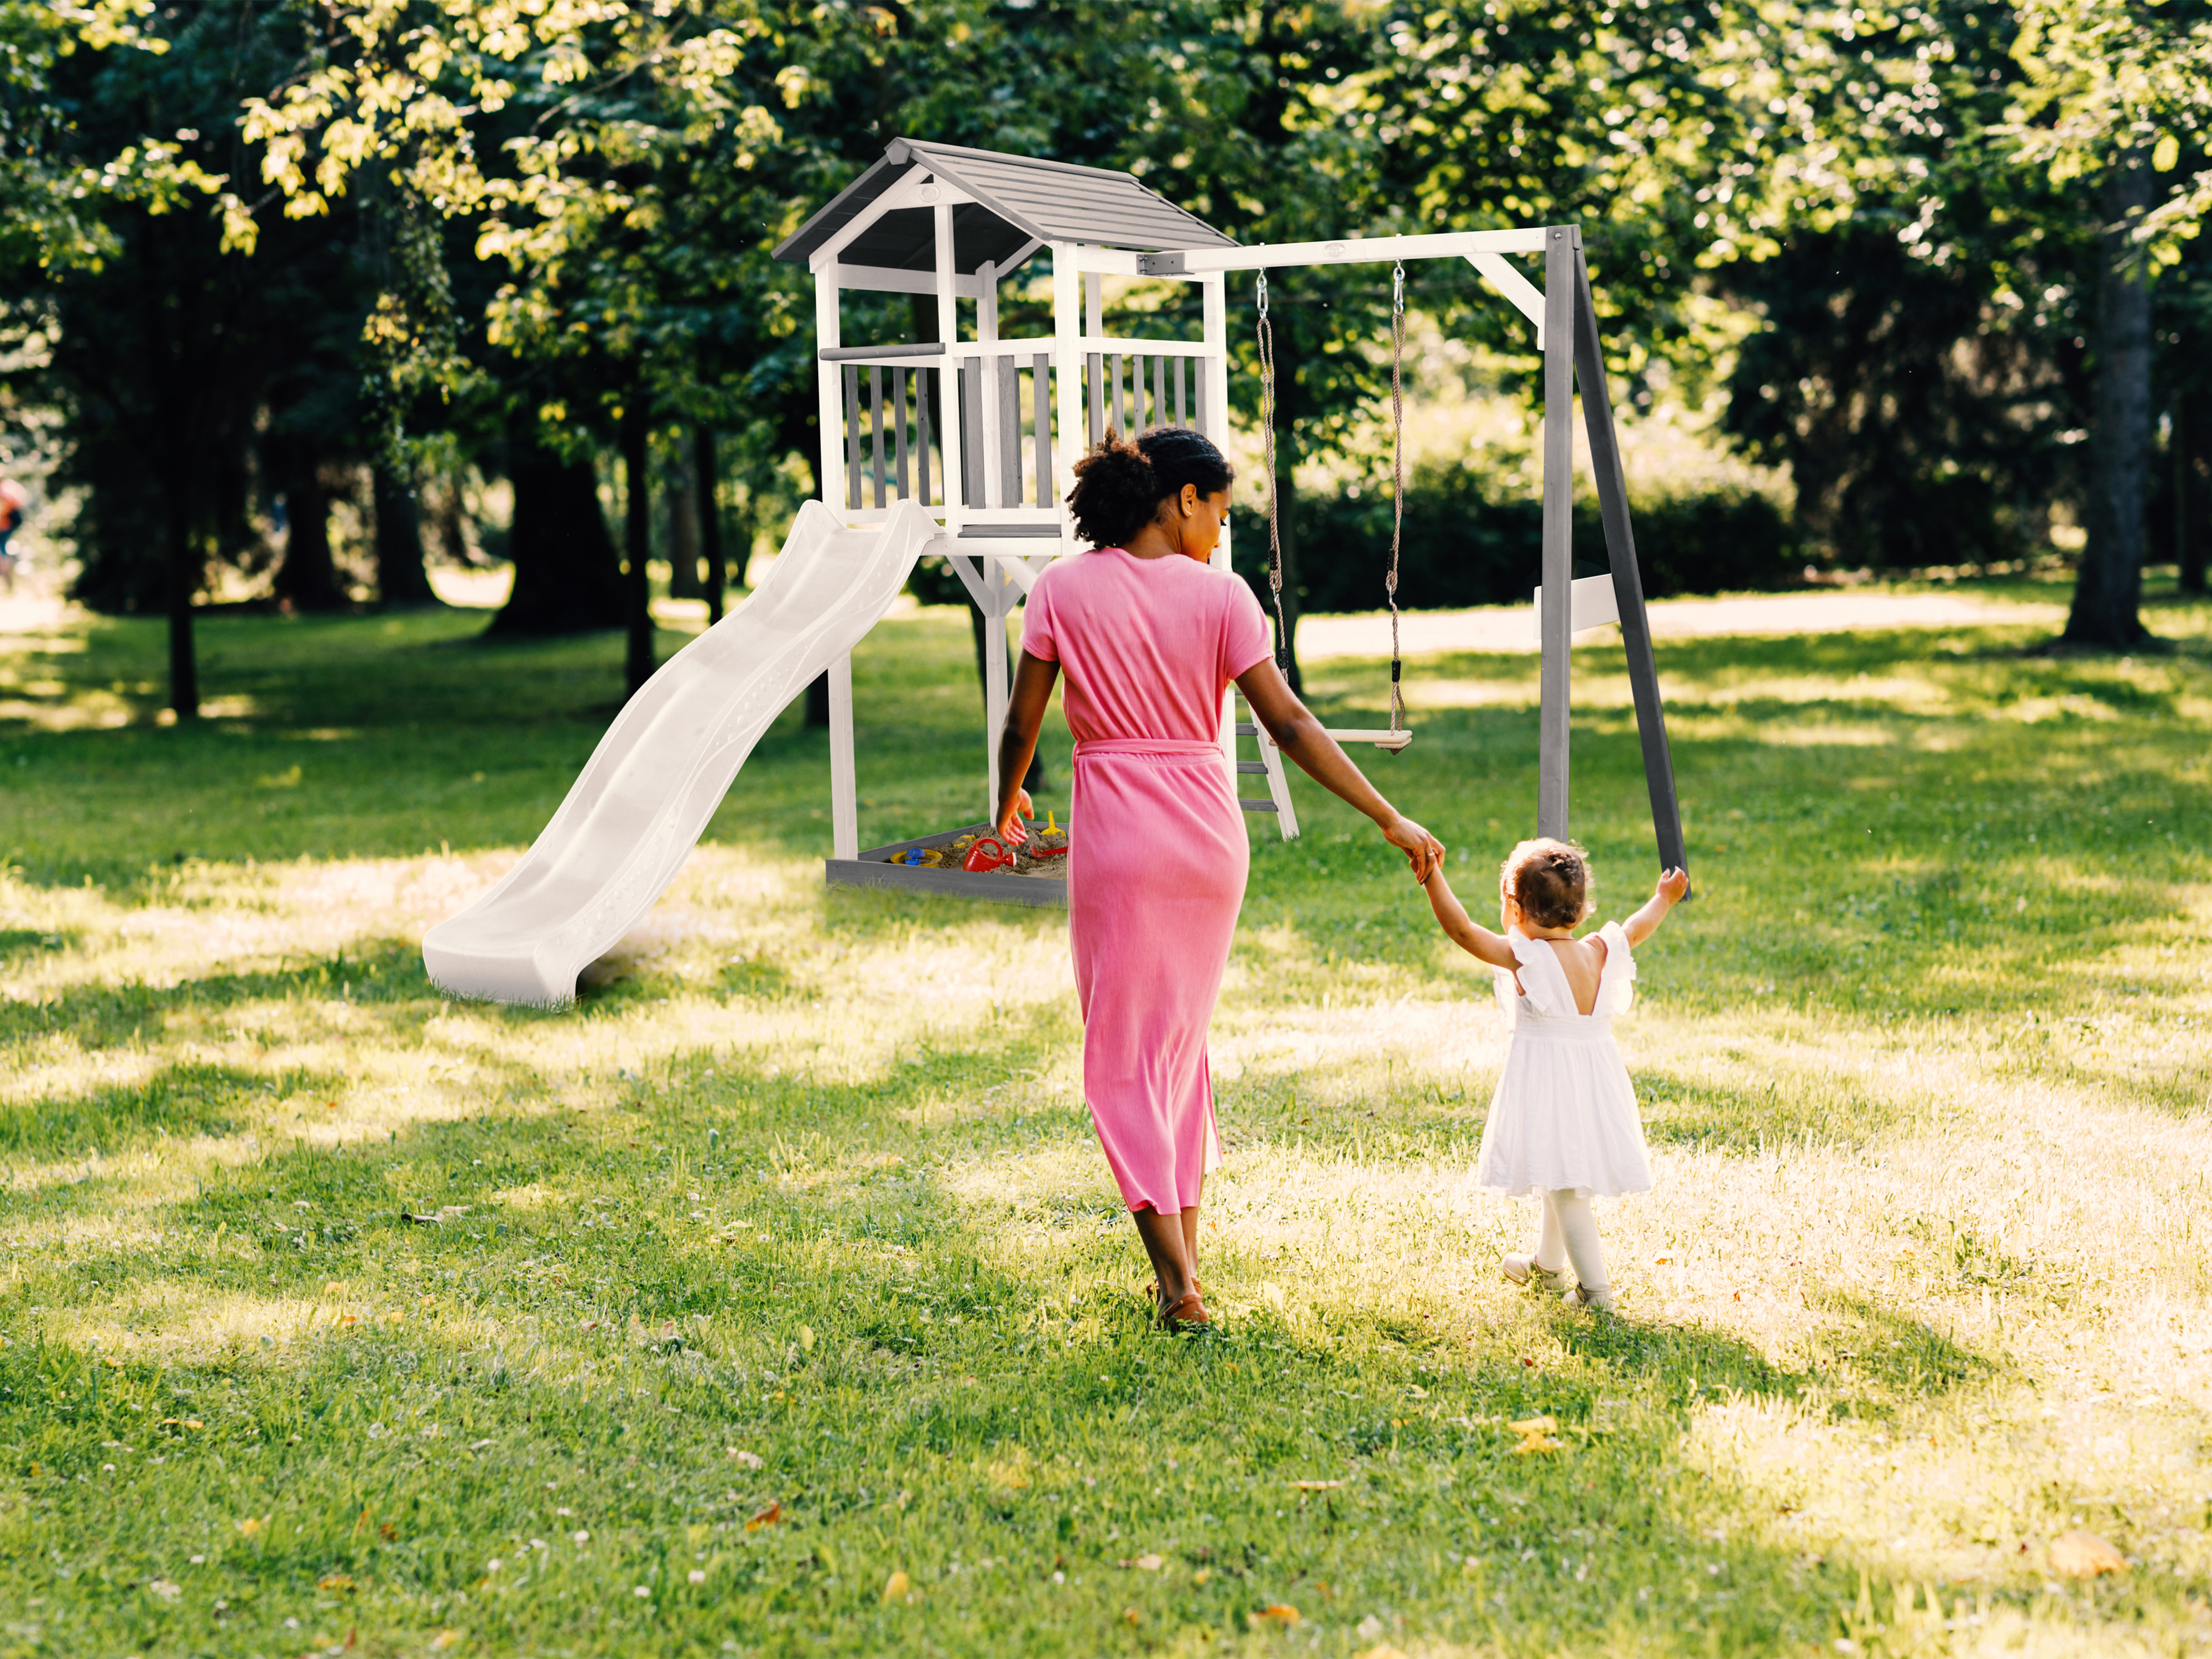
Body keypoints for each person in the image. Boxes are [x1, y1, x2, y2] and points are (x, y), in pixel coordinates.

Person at [994, 427, 1444, 1332]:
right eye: (1222, 514)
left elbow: (1022, 724)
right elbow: (1290, 724)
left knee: (1124, 1060)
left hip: (1120, 838)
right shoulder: (1224, 598)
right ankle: (1185, 1268)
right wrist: (1385, 813)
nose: (1221, 534)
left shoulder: (1060, 589)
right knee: (1175, 1052)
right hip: (1207, 839)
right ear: (1183, 499)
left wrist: (1003, 807)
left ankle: (1176, 1286)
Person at [1418, 838, 1689, 1311]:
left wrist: (1431, 875)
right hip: (1594, 1081)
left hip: (1550, 1083)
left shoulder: (1527, 958)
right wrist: (1663, 899)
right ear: (1580, 912)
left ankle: (1596, 1292)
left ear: (1515, 908)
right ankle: (1547, 1267)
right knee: (1555, 1169)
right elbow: (1635, 927)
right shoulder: (1598, 951)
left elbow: (1462, 931)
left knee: (1565, 1187)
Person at [0, 478, 27, 594]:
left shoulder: (4, 491)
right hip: (10, 523)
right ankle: (7, 575)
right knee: (3, 549)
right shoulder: (8, 486)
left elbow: (5, 509)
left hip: (7, 524)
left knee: (2, 550)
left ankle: (6, 573)